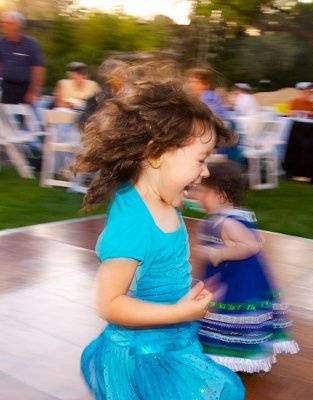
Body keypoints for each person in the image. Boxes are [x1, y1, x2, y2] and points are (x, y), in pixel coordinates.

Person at [75, 60, 244, 400]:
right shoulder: (133, 224)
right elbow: (110, 304)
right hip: (142, 357)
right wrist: (178, 311)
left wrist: (180, 298)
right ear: (156, 154)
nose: (207, 172)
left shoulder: (164, 200)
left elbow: (158, 270)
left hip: (171, 341)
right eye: (200, 159)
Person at [192, 161, 299, 373]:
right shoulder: (224, 218)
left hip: (236, 281)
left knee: (232, 316)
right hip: (230, 277)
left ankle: (230, 354)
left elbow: (252, 244)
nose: (197, 196)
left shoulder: (226, 222)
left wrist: (218, 253)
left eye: (203, 191)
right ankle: (229, 353)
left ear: (221, 194)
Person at [0, 11, 45, 104]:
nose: (4, 26)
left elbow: (38, 70)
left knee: (20, 116)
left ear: (18, 26)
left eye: (9, 23)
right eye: (2, 23)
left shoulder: (31, 44)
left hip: (23, 88)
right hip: (2, 86)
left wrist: (32, 91)